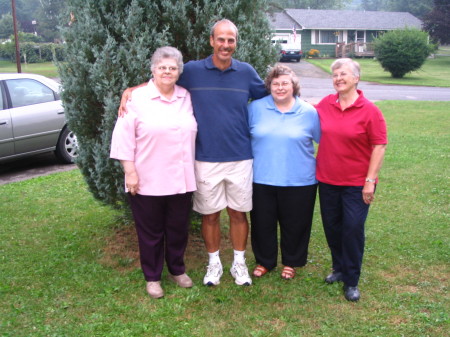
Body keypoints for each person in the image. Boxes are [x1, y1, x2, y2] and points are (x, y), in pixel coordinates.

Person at [119, 19, 267, 286]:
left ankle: (239, 264)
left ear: (235, 42)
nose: (225, 45)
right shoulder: (193, 71)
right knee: (209, 215)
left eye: (230, 40)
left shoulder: (246, 72)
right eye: (220, 39)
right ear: (211, 41)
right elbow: (164, 78)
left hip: (240, 156)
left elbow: (270, 95)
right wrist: (131, 90)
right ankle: (213, 266)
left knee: (238, 213)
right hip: (204, 158)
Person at [110, 46, 197, 298]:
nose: (167, 72)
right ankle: (152, 277)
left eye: (172, 68)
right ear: (153, 70)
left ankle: (177, 270)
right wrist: (130, 172)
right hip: (147, 179)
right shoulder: (137, 99)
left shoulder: (186, 97)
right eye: (162, 67)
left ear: (179, 72)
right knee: (150, 233)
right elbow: (123, 137)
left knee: (178, 228)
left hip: (180, 179)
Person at [315, 58, 387, 302]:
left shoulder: (370, 111)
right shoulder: (326, 104)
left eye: (343, 74)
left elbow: (379, 146)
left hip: (356, 183)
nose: (338, 78)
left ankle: (352, 280)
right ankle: (339, 268)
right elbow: (304, 111)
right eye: (335, 75)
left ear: (356, 78)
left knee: (353, 229)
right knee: (333, 227)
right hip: (327, 179)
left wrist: (370, 181)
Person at [248, 65, 320, 280]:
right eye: (275, 83)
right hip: (262, 176)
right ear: (269, 86)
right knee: (262, 222)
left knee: (296, 223)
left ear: (293, 86)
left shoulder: (308, 112)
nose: (280, 88)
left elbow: (322, 140)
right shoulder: (255, 108)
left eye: (285, 83)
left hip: (300, 179)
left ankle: (291, 261)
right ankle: (265, 261)